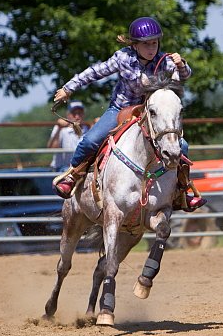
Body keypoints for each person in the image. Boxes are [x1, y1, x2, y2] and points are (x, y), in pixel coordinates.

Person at [51, 16, 206, 211]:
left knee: (181, 146)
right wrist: (69, 88)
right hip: (120, 110)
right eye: (146, 44)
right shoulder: (122, 58)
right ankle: (73, 175)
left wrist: (182, 65)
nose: (151, 48)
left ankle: (182, 191)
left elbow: (181, 78)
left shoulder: (164, 61)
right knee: (91, 140)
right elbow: (95, 72)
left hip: (150, 115)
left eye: (154, 43)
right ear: (134, 45)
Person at [47, 101, 89, 171]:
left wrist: (98, 125)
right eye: (74, 113)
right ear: (68, 115)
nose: (77, 116)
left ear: (83, 115)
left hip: (81, 168)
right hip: (62, 168)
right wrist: (59, 128)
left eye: (80, 113)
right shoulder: (61, 129)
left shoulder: (87, 129)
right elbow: (52, 148)